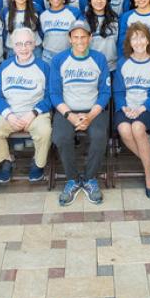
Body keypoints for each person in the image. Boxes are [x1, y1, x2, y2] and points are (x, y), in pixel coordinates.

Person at [49, 20, 112, 205]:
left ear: (90, 37)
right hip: (67, 110)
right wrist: (70, 115)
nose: (80, 40)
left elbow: (105, 92)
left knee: (100, 136)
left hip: (94, 110)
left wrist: (91, 115)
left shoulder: (99, 58)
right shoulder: (59, 60)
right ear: (69, 39)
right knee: (60, 137)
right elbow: (54, 93)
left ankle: (91, 178)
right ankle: (73, 179)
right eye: (75, 37)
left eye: (83, 36)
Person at [0, 28, 52, 183]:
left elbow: (50, 96)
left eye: (28, 43)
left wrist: (34, 113)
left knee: (45, 131)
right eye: (19, 44)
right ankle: (6, 161)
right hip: (10, 113)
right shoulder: (5, 67)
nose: (23, 48)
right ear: (13, 46)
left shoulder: (44, 67)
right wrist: (8, 115)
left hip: (36, 113)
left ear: (34, 45)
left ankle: (38, 163)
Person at [114, 22, 150, 196]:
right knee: (124, 129)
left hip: (149, 110)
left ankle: (148, 175)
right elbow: (119, 91)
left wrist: (142, 109)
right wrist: (125, 107)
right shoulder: (123, 63)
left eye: (142, 37)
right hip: (127, 107)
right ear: (129, 42)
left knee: (137, 127)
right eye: (134, 38)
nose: (138, 42)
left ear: (148, 41)